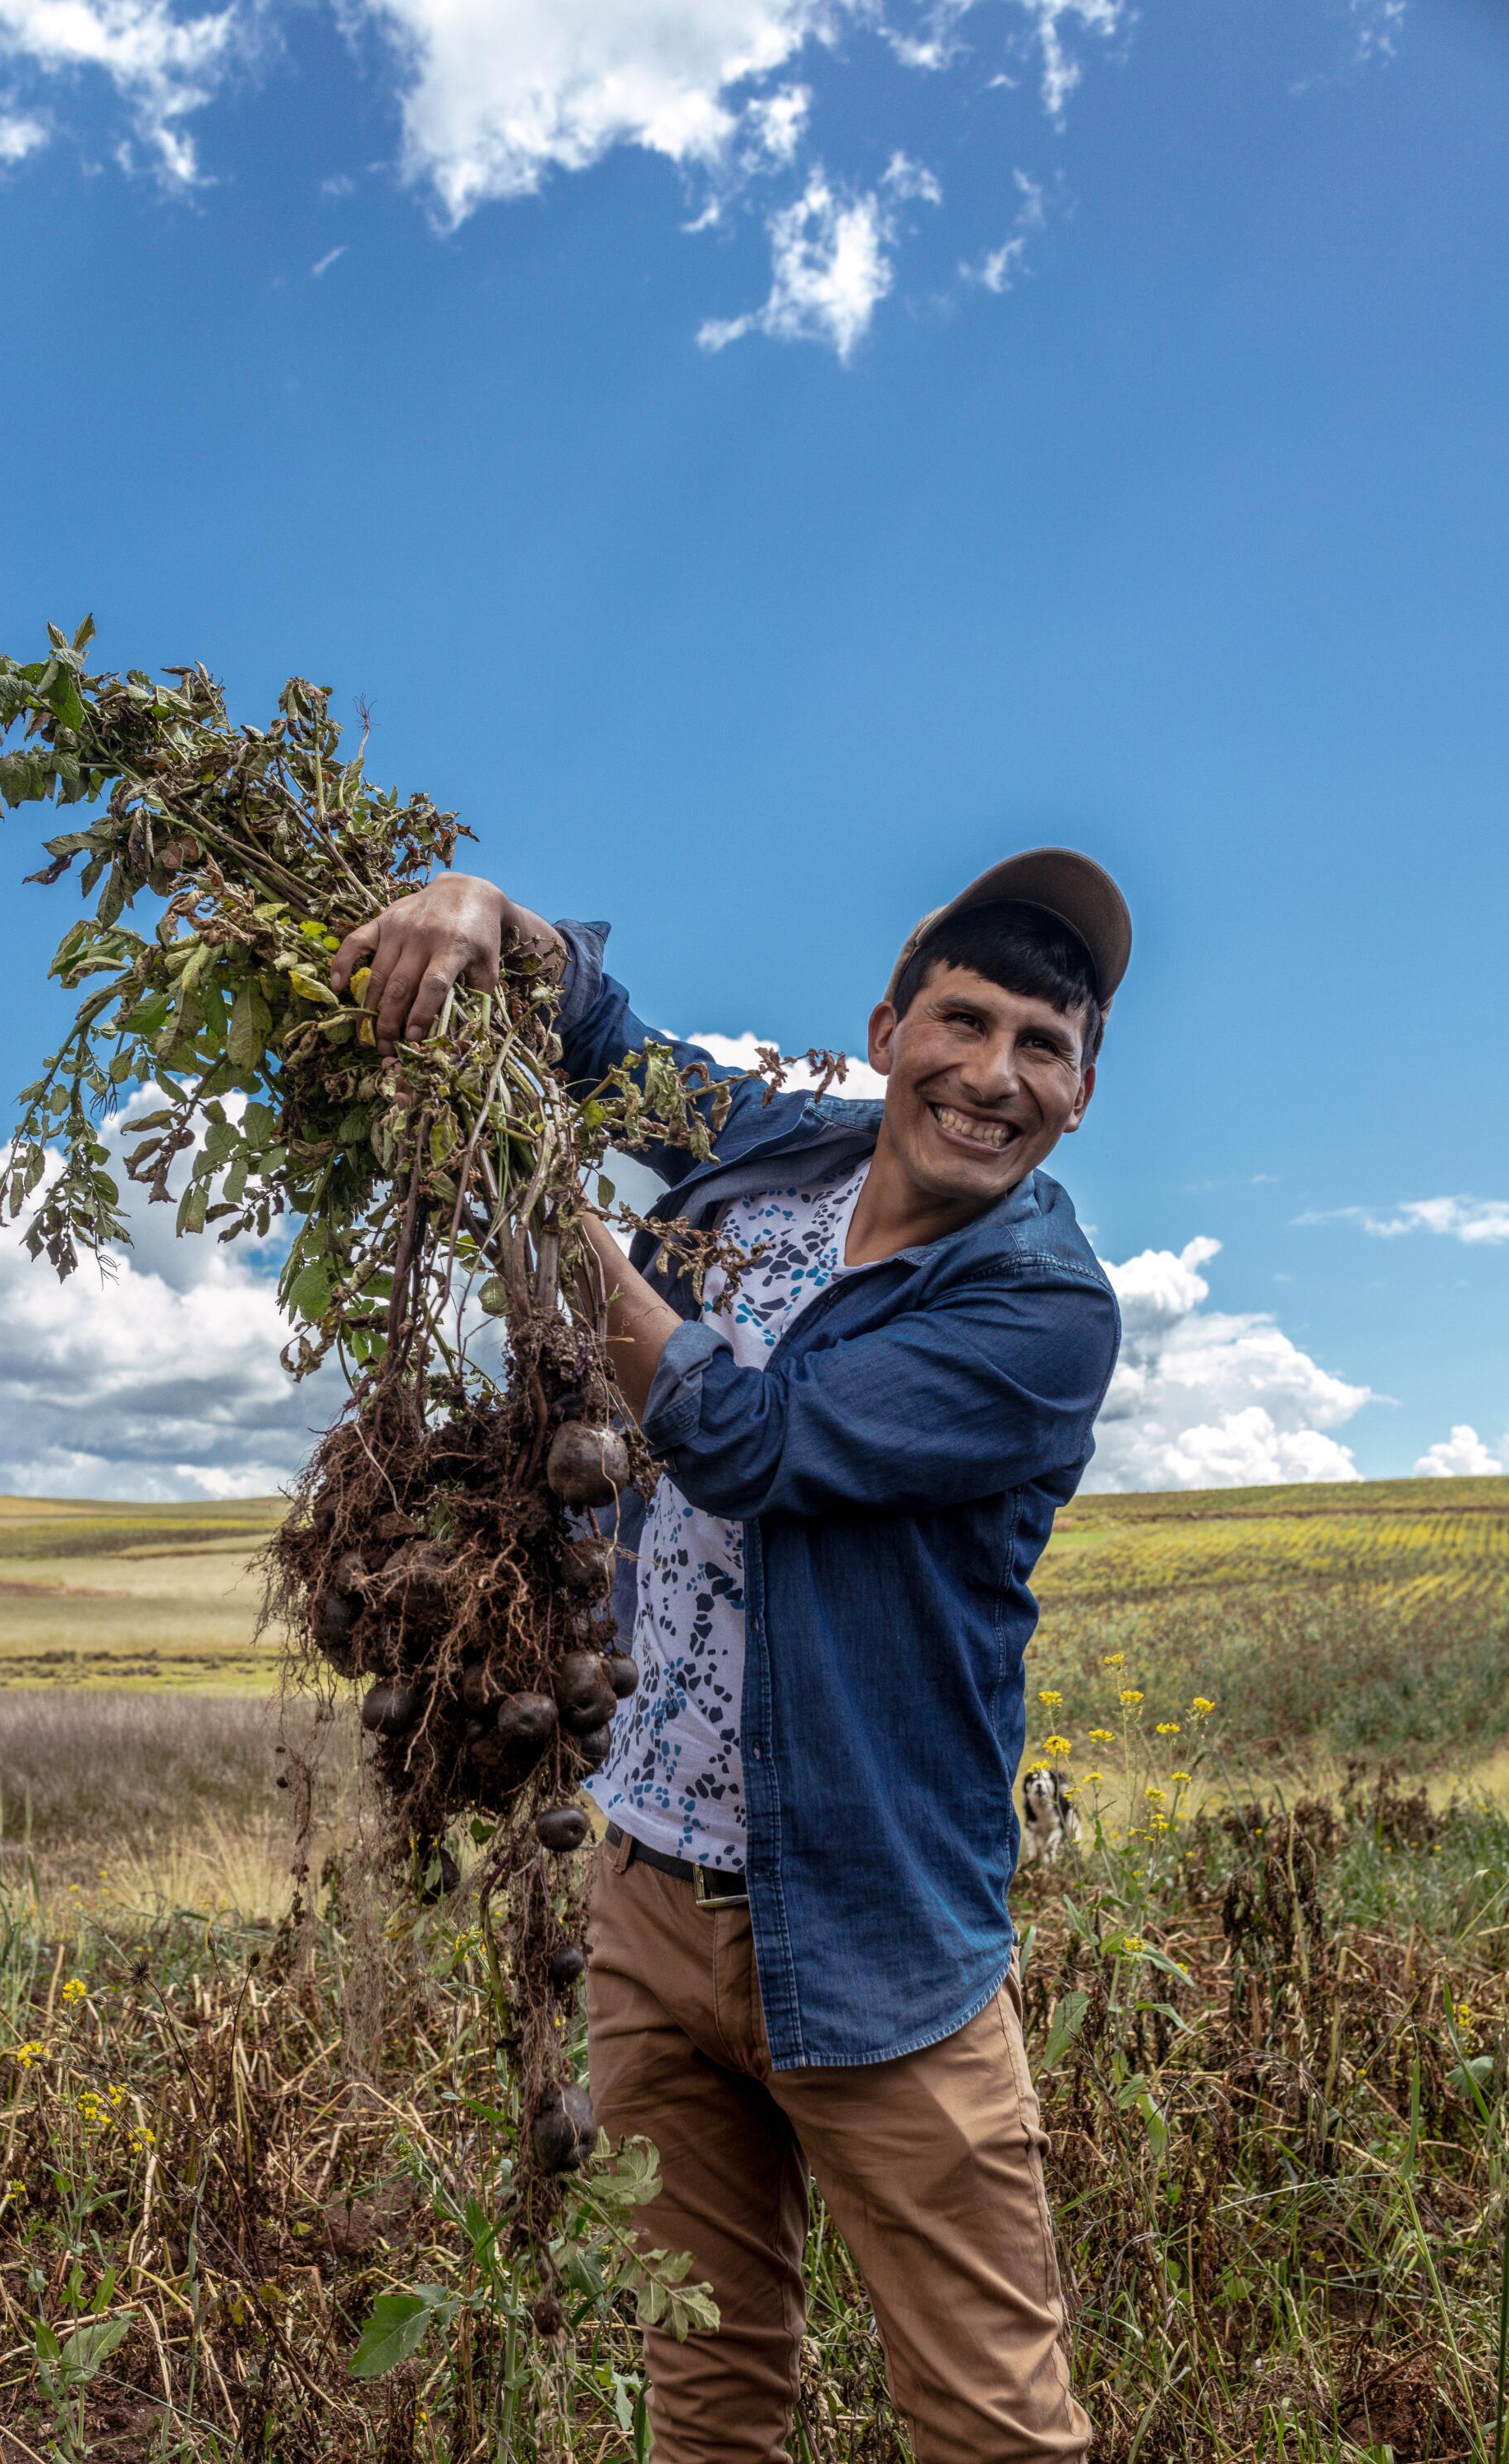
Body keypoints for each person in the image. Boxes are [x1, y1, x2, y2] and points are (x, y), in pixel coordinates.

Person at [331, 848, 1130, 2464]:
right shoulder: (781, 1143)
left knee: (994, 2426)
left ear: (1081, 1092)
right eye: (961, 1024)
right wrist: (488, 915)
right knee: (702, 2396)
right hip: (646, 1895)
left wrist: (553, 1221)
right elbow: (609, 1045)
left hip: (870, 1938)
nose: (991, 1076)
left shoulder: (1041, 1312)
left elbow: (745, 1441)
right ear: (886, 1029)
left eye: (1040, 1047)